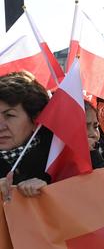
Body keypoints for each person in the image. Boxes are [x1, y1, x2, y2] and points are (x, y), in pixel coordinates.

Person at [0, 71, 52, 200]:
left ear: (36, 120)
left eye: (9, 115)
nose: (0, 127)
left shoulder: (57, 161)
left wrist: (51, 190)